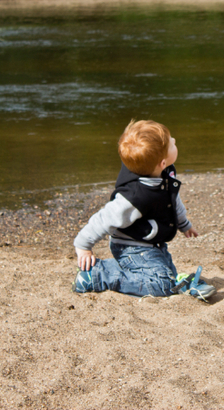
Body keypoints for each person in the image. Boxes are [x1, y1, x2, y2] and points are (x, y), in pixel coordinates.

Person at [71, 119, 215, 301]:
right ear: (162, 162)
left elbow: (172, 200)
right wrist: (83, 246)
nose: (175, 141)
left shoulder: (163, 172)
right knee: (161, 285)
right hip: (131, 247)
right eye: (171, 143)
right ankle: (97, 274)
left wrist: (184, 224)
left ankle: (173, 280)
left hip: (152, 244)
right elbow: (104, 218)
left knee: (169, 277)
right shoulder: (135, 197)